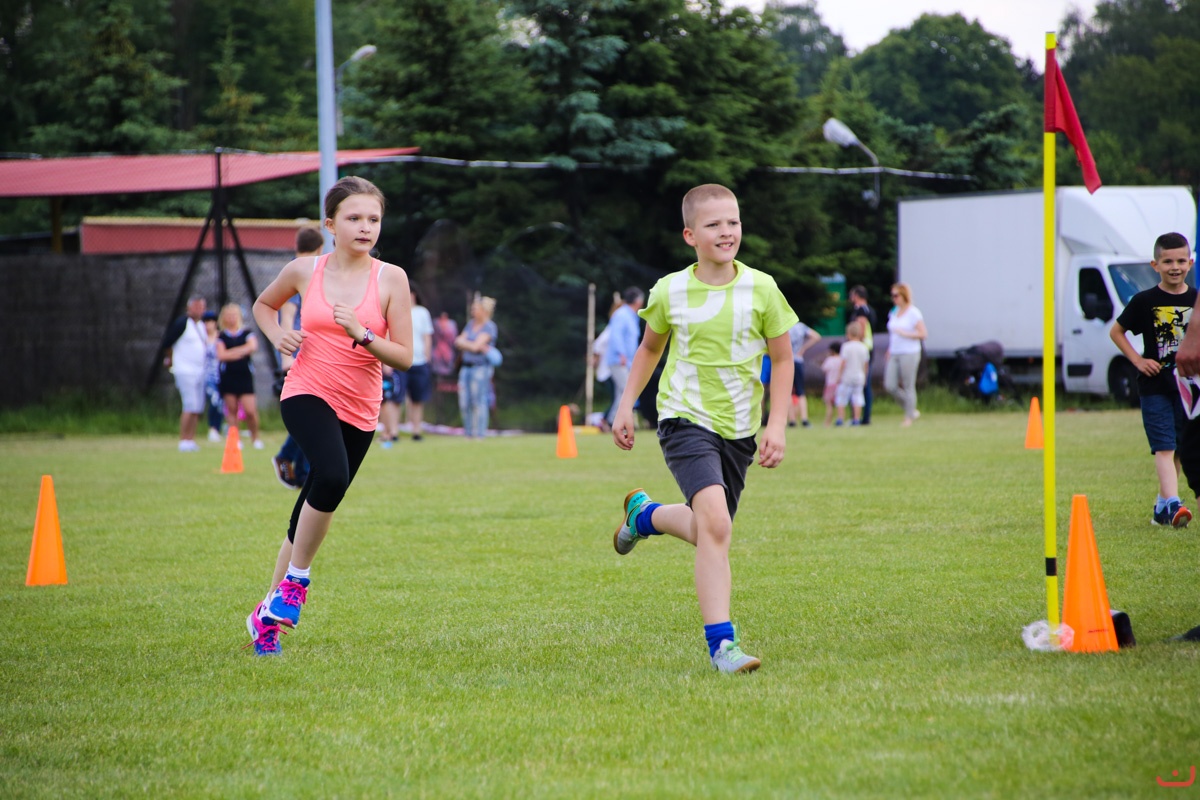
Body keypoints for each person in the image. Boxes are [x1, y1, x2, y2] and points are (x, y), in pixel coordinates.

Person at [610, 183, 798, 674]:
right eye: (714, 224)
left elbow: (782, 359)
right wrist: (626, 405)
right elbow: (650, 349)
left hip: (740, 429)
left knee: (712, 529)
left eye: (733, 222)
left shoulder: (763, 288)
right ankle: (722, 647)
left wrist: (776, 424)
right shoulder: (669, 290)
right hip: (683, 418)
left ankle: (645, 516)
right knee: (715, 524)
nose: (726, 231)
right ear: (690, 235)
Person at [244, 175, 414, 656]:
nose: (365, 227)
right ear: (331, 224)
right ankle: (297, 582)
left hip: (361, 407)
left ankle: (266, 619)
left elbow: (404, 357)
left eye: (373, 219)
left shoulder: (392, 278)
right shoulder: (304, 270)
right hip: (307, 390)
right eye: (354, 218)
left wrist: (363, 333)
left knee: (312, 505)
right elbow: (263, 305)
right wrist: (277, 335)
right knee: (332, 476)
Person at [1109, 231, 1195, 527]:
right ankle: (1173, 505)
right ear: (1154, 265)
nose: (1175, 267)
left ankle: (1161, 506)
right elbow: (1116, 332)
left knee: (1180, 448)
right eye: (1168, 261)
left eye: (1181, 261)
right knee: (1164, 446)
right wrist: (1138, 360)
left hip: (1189, 388)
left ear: (1190, 263)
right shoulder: (1144, 300)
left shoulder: (1197, 300)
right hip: (1155, 387)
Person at [272, 226, 324, 488]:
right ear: (319, 248)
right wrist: (286, 357)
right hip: (298, 353)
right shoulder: (300, 270)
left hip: (307, 351)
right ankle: (295, 463)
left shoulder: (307, 269)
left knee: (316, 414)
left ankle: (298, 465)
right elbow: (287, 315)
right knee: (313, 414)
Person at [160, 295, 208, 452]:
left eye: (201, 307)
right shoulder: (182, 323)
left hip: (199, 371)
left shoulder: (201, 325)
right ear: (189, 307)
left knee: (197, 407)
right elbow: (167, 342)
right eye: (196, 306)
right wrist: (171, 359)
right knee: (190, 404)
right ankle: (183, 439)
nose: (199, 310)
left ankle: (191, 439)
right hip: (185, 370)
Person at [389, 282, 434, 442]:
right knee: (396, 398)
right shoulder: (395, 310)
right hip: (400, 361)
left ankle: (416, 430)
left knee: (417, 398)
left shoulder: (422, 312)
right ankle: (393, 431)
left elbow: (427, 336)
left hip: (419, 361)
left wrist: (427, 357)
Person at [216, 302, 263, 450]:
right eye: (228, 315)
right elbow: (221, 355)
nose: (231, 318)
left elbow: (252, 347)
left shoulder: (247, 333)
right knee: (232, 410)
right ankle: (235, 439)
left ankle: (255, 438)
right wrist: (241, 351)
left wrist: (233, 352)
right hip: (228, 377)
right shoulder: (221, 336)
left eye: (234, 315)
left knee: (250, 411)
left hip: (244, 376)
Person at [455, 295, 498, 439]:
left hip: (480, 368)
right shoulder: (470, 324)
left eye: (475, 308)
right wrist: (471, 344)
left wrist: (466, 343)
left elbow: (475, 346)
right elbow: (459, 341)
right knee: (464, 402)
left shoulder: (489, 327)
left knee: (478, 401)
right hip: (465, 368)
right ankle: (468, 434)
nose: (472, 311)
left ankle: (480, 434)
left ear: (484, 311)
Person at [884, 282, 927, 427]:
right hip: (895, 352)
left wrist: (906, 334)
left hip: (909, 352)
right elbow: (893, 334)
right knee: (890, 385)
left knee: (908, 385)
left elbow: (923, 333)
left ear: (904, 296)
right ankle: (911, 408)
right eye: (892, 296)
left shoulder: (913, 312)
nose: (894, 298)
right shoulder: (893, 312)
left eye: (896, 295)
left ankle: (908, 417)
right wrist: (890, 349)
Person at [604, 286, 644, 428]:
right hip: (619, 360)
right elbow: (616, 336)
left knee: (622, 392)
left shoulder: (631, 316)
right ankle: (613, 421)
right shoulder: (622, 314)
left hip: (627, 361)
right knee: (628, 391)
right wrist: (621, 354)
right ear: (638, 301)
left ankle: (610, 421)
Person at [848, 286, 878, 424]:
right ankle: (861, 416)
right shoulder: (869, 309)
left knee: (861, 383)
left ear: (857, 295)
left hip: (861, 351)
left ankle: (861, 417)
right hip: (866, 350)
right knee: (863, 382)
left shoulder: (861, 310)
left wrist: (855, 344)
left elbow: (861, 327)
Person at [836, 321, 870, 426]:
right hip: (859, 376)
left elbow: (843, 362)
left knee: (842, 397)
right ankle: (856, 419)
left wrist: (839, 375)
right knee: (858, 397)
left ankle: (840, 419)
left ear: (848, 334)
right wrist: (865, 376)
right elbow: (865, 364)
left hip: (847, 376)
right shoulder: (864, 347)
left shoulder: (846, 346)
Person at [788, 320, 821, 427]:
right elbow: (816, 336)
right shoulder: (800, 327)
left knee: (787, 391)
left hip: (787, 361)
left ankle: (792, 420)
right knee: (800, 391)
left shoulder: (783, 326)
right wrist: (803, 348)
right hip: (798, 360)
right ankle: (804, 419)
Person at [201, 310, 224, 443]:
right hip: (207, 376)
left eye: (210, 322)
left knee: (221, 402)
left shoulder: (220, 337)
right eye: (206, 322)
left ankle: (217, 428)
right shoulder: (201, 337)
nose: (208, 325)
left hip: (220, 374)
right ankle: (212, 428)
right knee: (214, 400)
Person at [821, 341, 843, 426]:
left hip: (830, 384)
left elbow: (824, 369)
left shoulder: (829, 360)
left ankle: (827, 422)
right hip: (840, 384)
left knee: (829, 405)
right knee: (840, 403)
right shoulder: (842, 360)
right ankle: (840, 419)